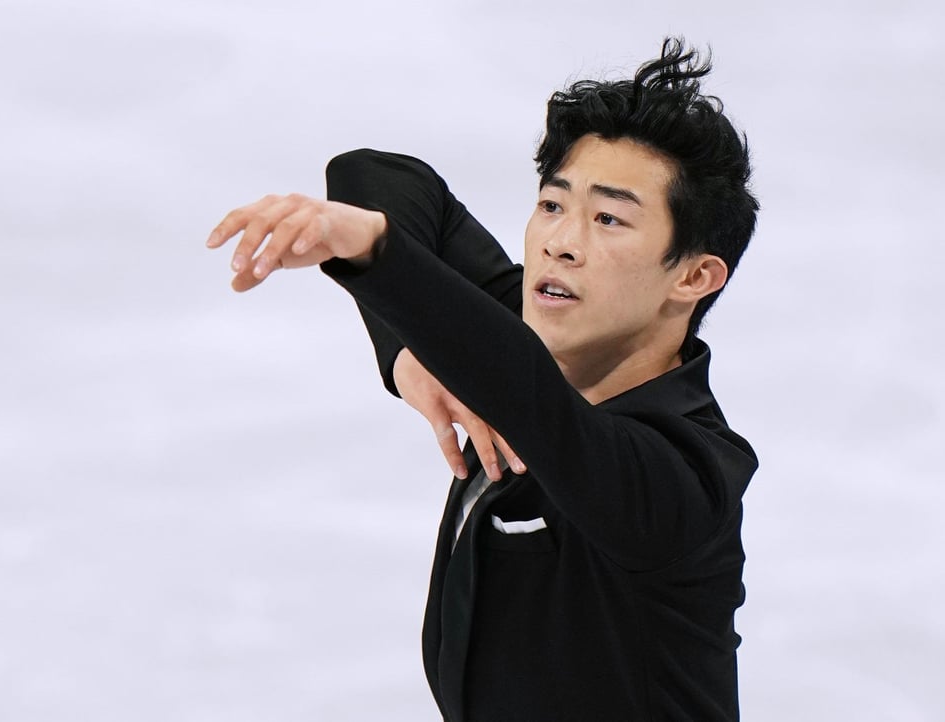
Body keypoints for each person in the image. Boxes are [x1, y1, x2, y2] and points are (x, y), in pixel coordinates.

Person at [207, 37, 759, 722]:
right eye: (554, 205)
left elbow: (533, 398)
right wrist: (409, 354)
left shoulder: (684, 477)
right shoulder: (529, 326)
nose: (561, 241)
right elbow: (379, 175)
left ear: (693, 275)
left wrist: (381, 260)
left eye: (609, 218)